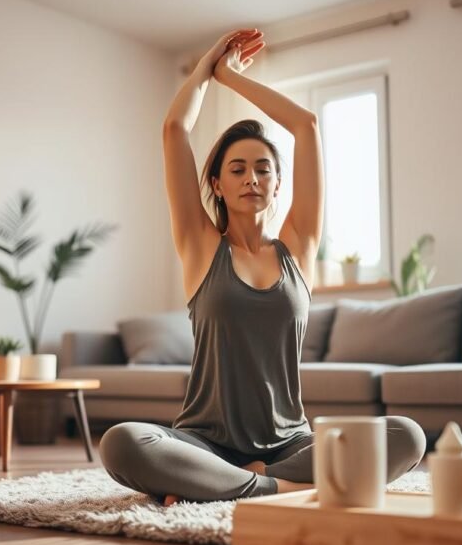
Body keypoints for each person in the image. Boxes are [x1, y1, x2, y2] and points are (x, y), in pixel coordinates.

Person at [100, 28, 426, 506]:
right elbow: (174, 129)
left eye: (263, 168)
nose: (251, 178)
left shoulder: (300, 246)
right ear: (216, 182)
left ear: (277, 184)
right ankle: (276, 487)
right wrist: (209, 65)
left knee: (408, 435)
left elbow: (306, 126)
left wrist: (232, 77)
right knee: (123, 442)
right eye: (237, 169)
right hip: (204, 441)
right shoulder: (200, 245)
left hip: (290, 443)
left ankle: (229, 484)